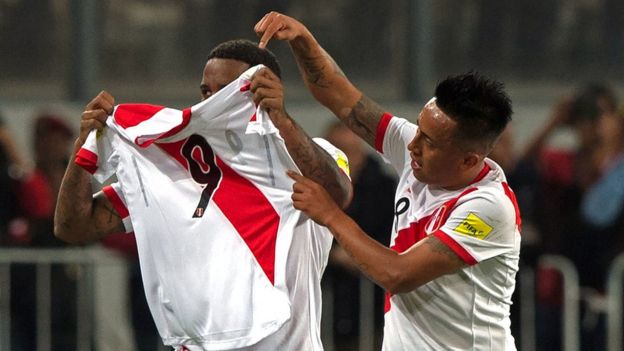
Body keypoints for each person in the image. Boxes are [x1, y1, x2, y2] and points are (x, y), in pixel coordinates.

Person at [54, 39, 352, 350]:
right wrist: (83, 154)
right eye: (206, 92)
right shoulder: (173, 168)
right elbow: (73, 226)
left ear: (264, 89)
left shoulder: (308, 155)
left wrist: (282, 120)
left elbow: (337, 193)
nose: (212, 101)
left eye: (226, 90)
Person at [255, 12, 520, 350]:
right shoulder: (420, 155)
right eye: (418, 130)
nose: (412, 145)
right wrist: (303, 40)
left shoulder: (488, 207)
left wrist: (332, 215)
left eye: (429, 142)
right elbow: (339, 94)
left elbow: (399, 274)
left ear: (469, 160)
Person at [323, 121, 396, 350]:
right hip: (326, 308)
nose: (344, 161)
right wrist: (333, 255)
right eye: (336, 151)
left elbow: (395, 238)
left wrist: (359, 254)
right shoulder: (313, 188)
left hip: (373, 307)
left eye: (350, 152)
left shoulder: (386, 188)